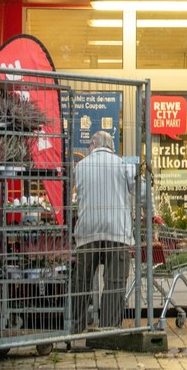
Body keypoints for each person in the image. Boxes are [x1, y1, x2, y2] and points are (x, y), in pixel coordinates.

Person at [73, 130, 136, 331]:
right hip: (117, 230)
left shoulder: (81, 166)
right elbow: (142, 192)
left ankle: (75, 326)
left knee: (82, 280)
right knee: (114, 281)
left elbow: (77, 196)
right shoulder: (123, 164)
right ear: (110, 146)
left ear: (93, 144)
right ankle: (109, 329)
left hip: (88, 230)